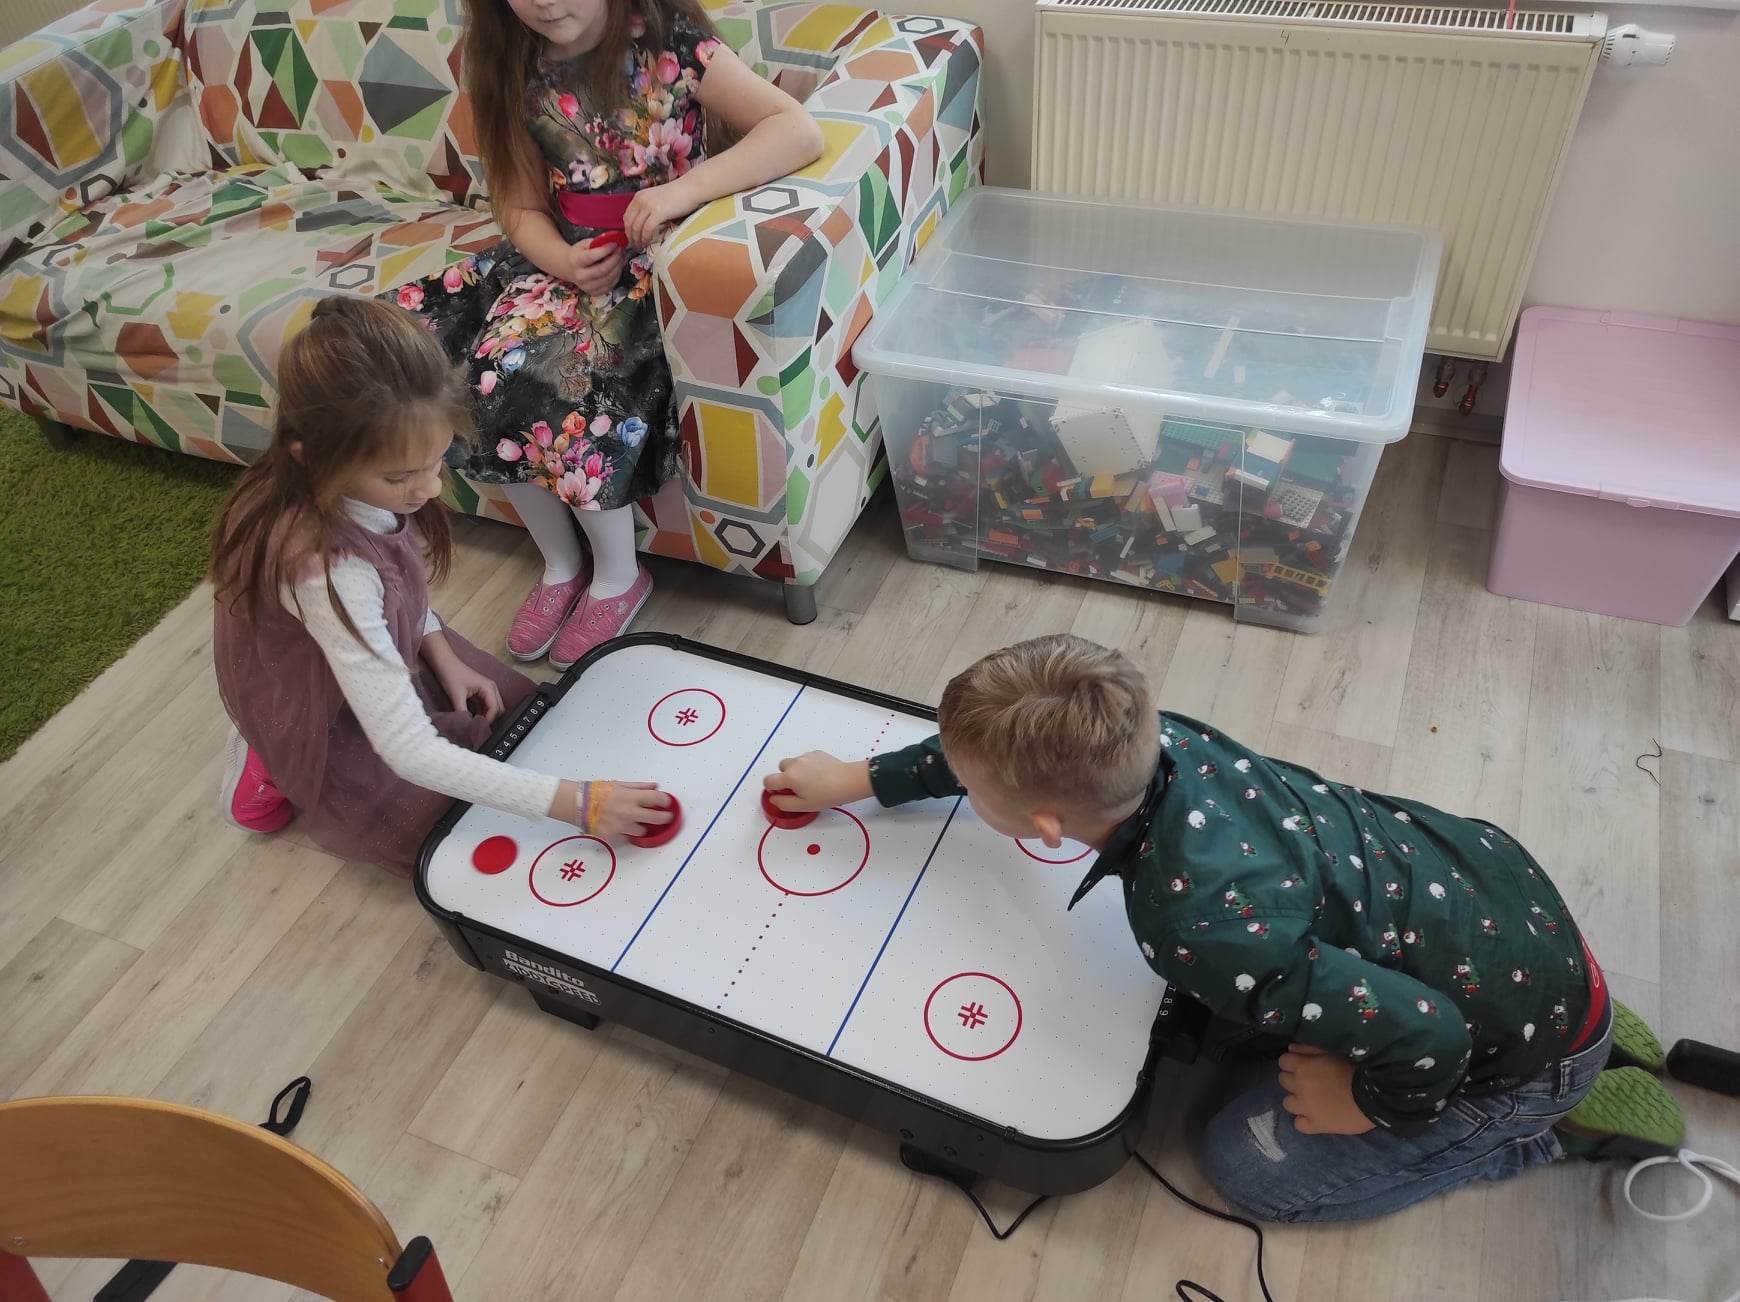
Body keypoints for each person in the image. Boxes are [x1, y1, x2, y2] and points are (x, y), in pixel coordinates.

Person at [761, 633, 1683, 1222]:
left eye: (969, 788)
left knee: (1244, 1166)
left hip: (1486, 1052)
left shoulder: (1195, 927)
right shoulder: (1154, 735)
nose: (960, 783)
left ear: (1044, 826)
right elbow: (992, 751)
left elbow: (1433, 1032)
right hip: (1508, 914)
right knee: (1239, 1028)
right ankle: (1582, 1020)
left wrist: (1369, 1103)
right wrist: (863, 778)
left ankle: (1538, 1126)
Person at [394, 0, 824, 669]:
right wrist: (562, 262)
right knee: (480, 372)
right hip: (566, 262)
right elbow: (519, 204)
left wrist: (679, 195)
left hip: (661, 265)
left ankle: (618, 575)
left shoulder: (669, 39)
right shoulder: (509, 63)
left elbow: (796, 130)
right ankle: (560, 563)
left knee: (569, 381)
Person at [211, 296, 673, 873]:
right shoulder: (330, 571)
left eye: (436, 462)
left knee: (508, 718)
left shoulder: (357, 483)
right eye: (402, 476)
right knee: (429, 825)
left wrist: (440, 651)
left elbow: (398, 585)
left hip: (361, 631)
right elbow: (407, 750)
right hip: (307, 675)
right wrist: (578, 805)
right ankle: (270, 749)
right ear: (312, 457)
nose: (430, 489)